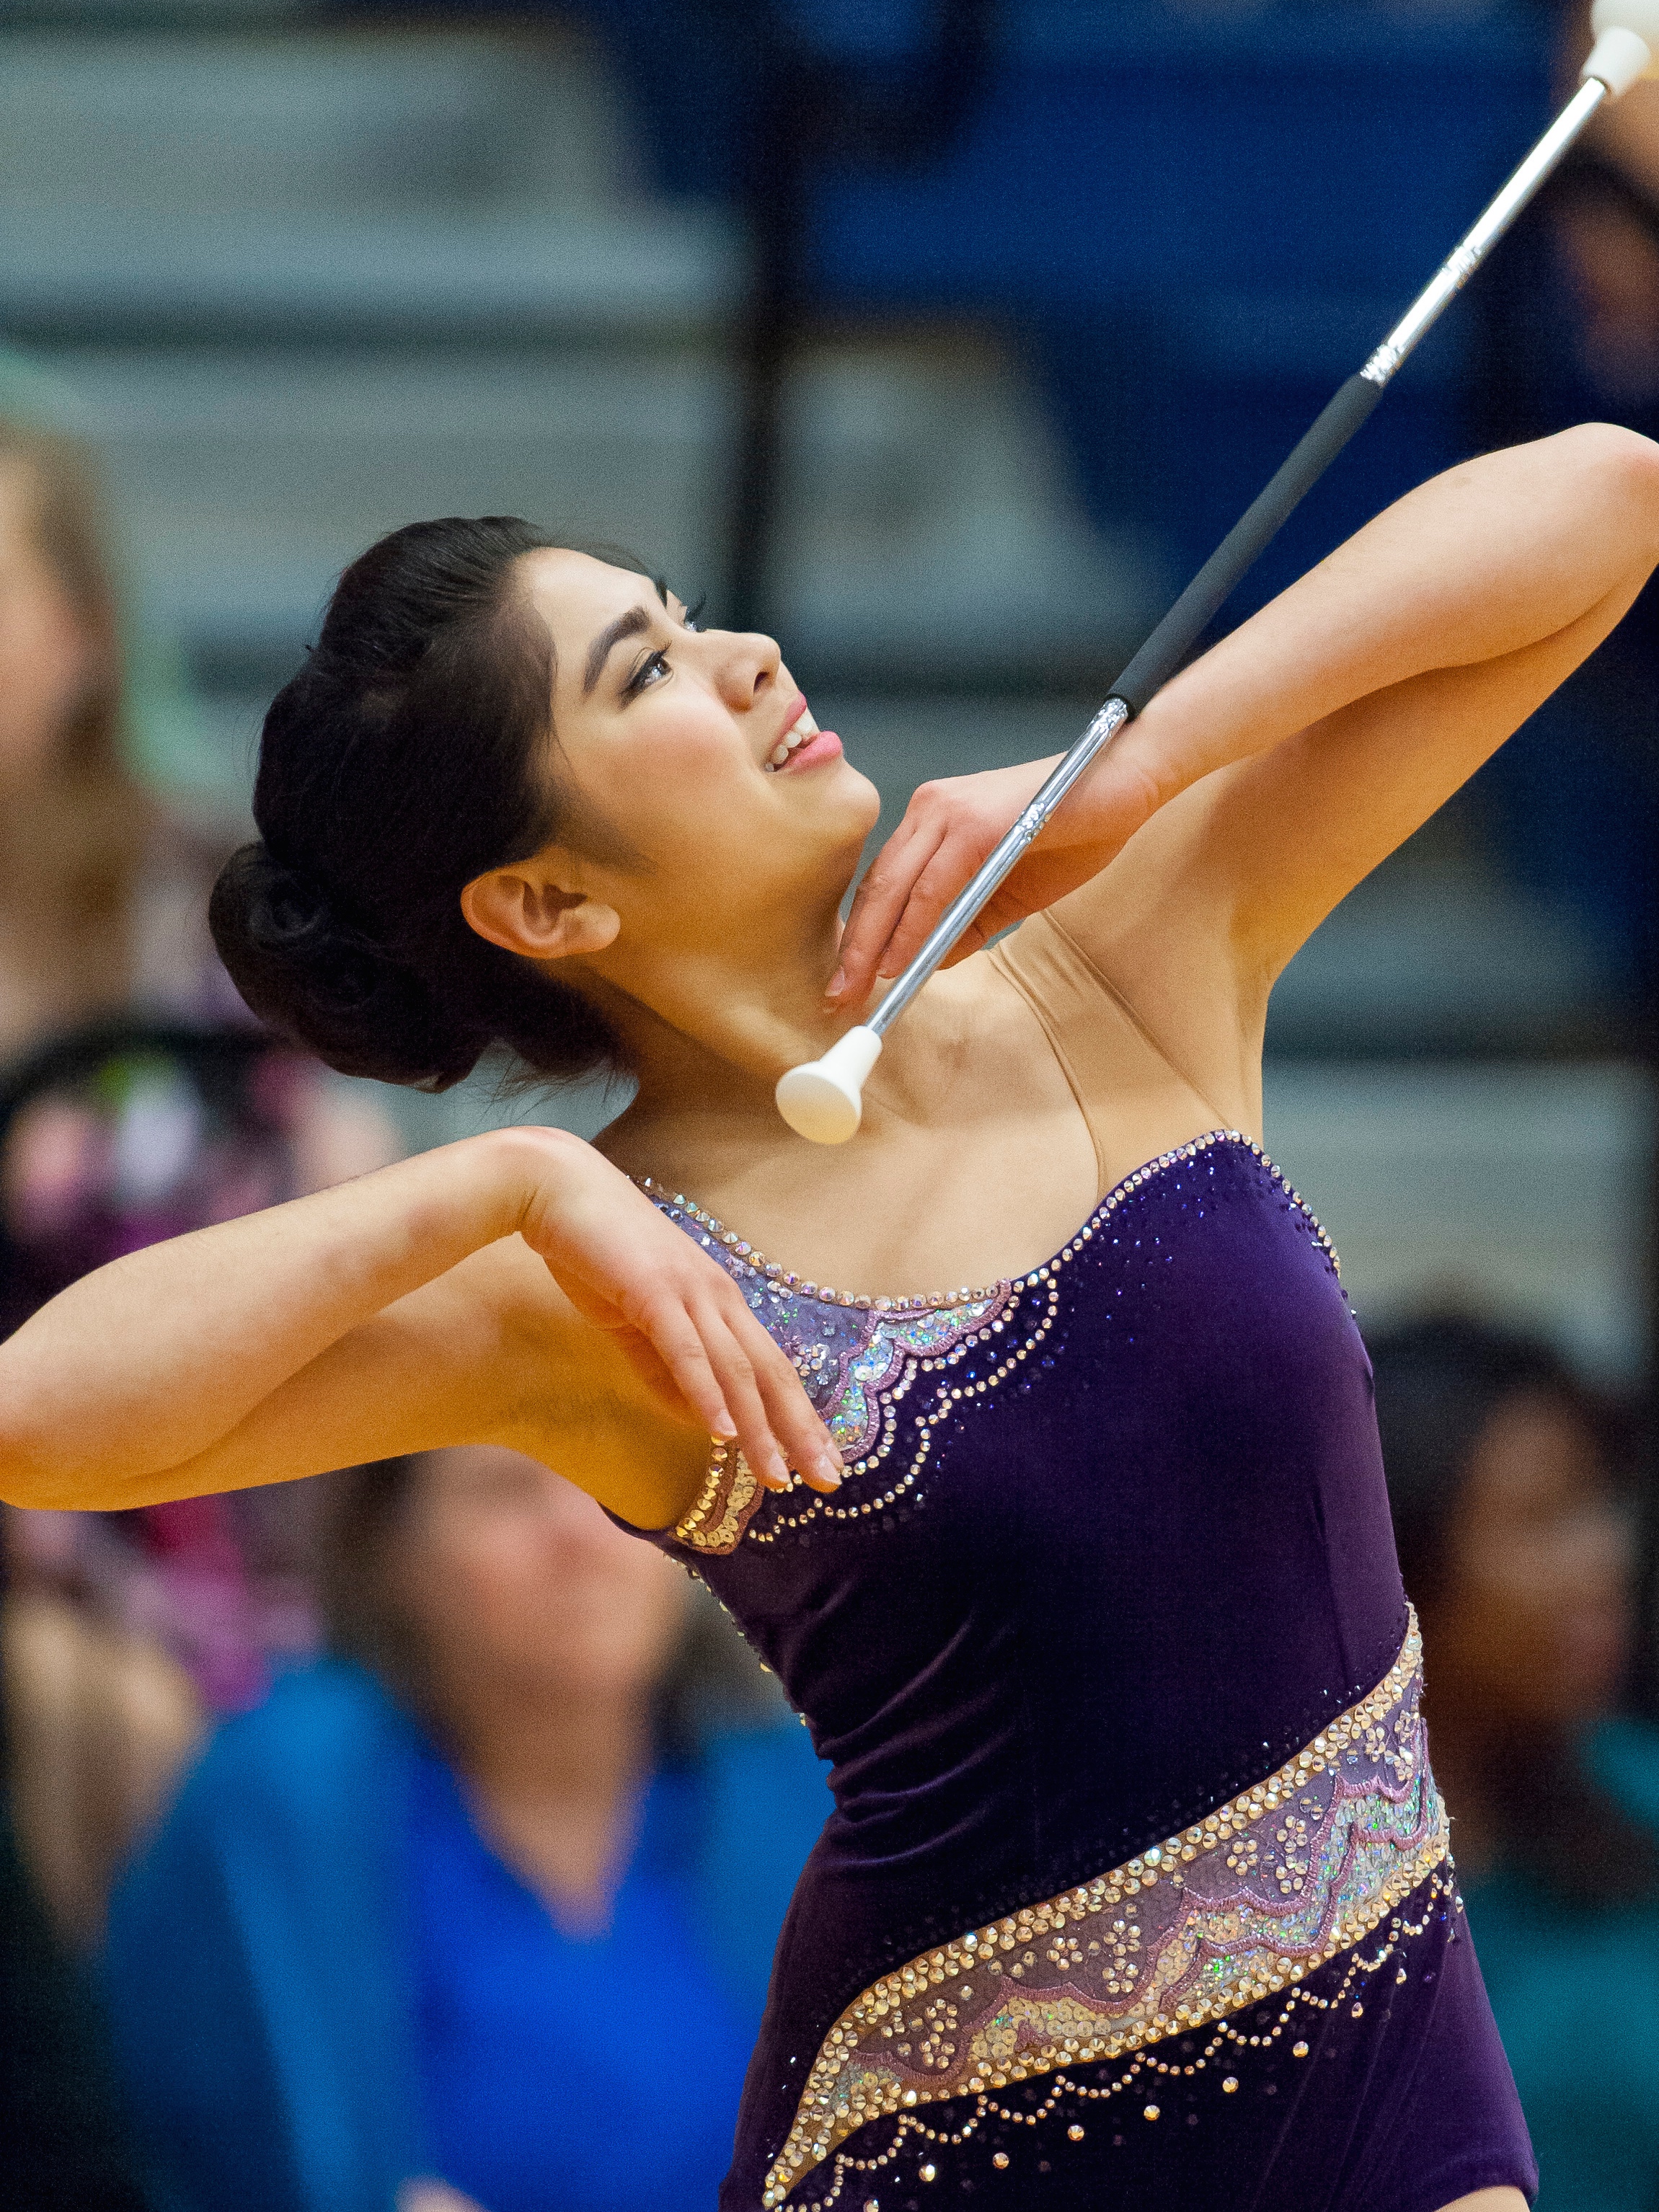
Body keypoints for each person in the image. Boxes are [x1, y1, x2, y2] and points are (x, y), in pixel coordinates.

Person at [4, 428, 1658, 2208]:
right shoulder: (596, 1273)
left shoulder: (1111, 953)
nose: (747, 659)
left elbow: (1602, 500)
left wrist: (1145, 755)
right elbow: (41, 1416)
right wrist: (487, 1188)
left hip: (1394, 2090)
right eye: (649, 671)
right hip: (966, 2148)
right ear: (546, 901)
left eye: (691, 617)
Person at [101, 1445, 831, 2212]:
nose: (583, 1531)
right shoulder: (271, 1809)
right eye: (506, 1490)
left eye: (618, 1475)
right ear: (388, 1547)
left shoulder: (812, 1787)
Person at [1372, 1314, 1659, 2212]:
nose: (1605, 1559)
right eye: (1543, 1518)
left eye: (1598, 1503)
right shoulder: (1290, 1901)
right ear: (1396, 1560)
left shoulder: (1640, 1796)